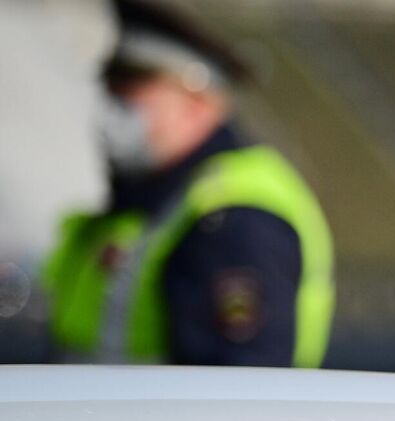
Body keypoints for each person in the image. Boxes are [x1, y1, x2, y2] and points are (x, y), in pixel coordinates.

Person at [40, 0, 333, 367]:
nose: (113, 106)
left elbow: (235, 393)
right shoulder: (150, 201)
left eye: (133, 89)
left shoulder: (231, 217)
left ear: (198, 102)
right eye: (112, 88)